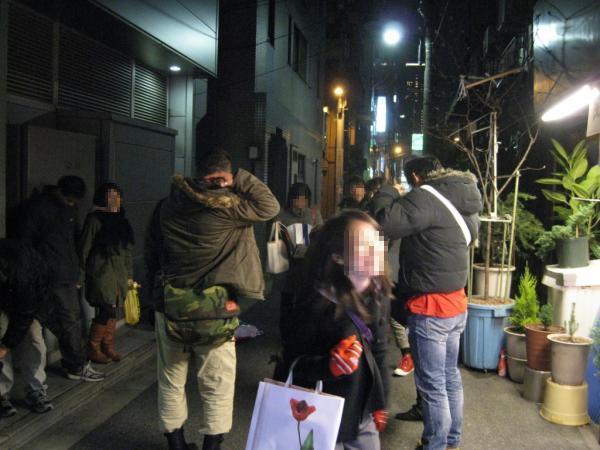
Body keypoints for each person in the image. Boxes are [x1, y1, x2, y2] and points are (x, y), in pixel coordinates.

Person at [145, 150, 279, 450]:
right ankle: (212, 446)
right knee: (217, 381)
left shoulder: (166, 206)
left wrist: (157, 296)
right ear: (223, 178)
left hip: (171, 305)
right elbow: (270, 205)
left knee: (171, 378)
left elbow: (152, 253)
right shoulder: (229, 208)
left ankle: (176, 444)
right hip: (216, 308)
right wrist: (239, 177)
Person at [371, 156, 482, 450]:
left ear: (417, 178)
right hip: (456, 301)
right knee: (449, 376)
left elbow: (383, 222)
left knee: (432, 383)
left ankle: (435, 444)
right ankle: (451, 438)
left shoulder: (425, 197)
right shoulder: (462, 198)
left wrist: (388, 190)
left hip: (431, 307)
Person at [282, 211, 391, 449]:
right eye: (363, 246)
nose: (376, 250)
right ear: (338, 257)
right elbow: (291, 363)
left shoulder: (378, 292)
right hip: (319, 411)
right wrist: (329, 365)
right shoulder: (314, 302)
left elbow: (380, 351)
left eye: (377, 241)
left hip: (361, 412)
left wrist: (380, 402)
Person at [21, 176, 104, 382]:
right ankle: (76, 365)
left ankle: (74, 362)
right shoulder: (39, 208)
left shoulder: (68, 210)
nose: (72, 204)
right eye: (70, 200)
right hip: (51, 274)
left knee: (68, 320)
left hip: (65, 272)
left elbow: (74, 241)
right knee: (68, 320)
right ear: (60, 192)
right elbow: (27, 242)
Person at [79, 183, 134, 364]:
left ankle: (106, 345)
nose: (115, 200)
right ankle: (93, 347)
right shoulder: (94, 219)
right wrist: (80, 276)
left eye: (117, 196)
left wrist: (129, 275)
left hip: (118, 273)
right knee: (106, 308)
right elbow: (84, 249)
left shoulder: (122, 220)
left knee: (113, 309)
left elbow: (127, 250)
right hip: (101, 271)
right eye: (110, 196)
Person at [0, 239, 52, 415]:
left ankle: (35, 389)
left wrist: (6, 345)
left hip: (30, 298)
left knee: (33, 338)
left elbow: (24, 314)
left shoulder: (23, 273)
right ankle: (1, 393)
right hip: (10, 293)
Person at [274, 183, 323, 347]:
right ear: (290, 200)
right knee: (287, 303)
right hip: (288, 266)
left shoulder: (314, 215)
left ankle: (303, 334)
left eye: (303, 199)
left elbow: (321, 238)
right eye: (297, 199)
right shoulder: (281, 217)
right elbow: (275, 243)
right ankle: (286, 336)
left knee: (306, 302)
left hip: (308, 267)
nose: (300, 203)